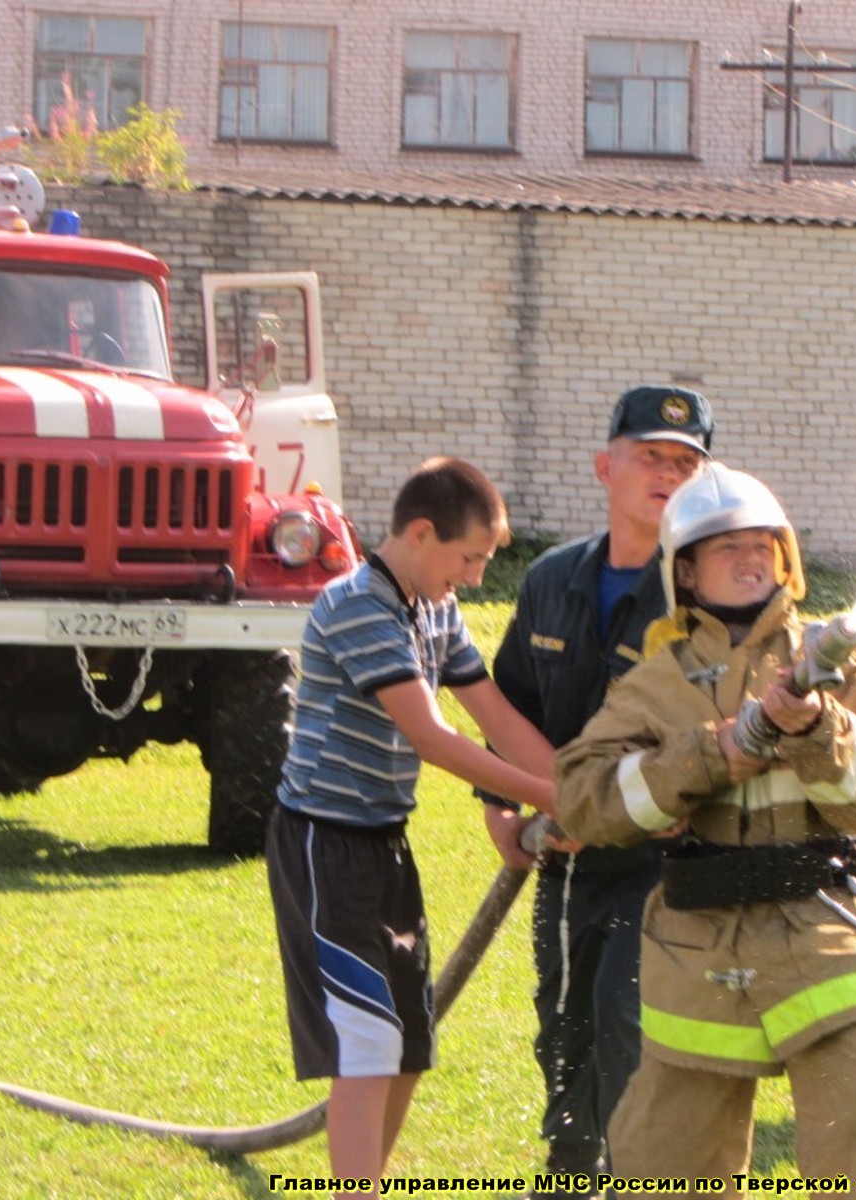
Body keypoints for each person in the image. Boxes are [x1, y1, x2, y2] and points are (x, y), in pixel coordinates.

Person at [554, 463, 856, 1184]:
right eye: (726, 545)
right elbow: (584, 799)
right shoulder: (654, 685)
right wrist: (709, 754)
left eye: (763, 542)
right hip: (699, 949)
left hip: (829, 938)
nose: (750, 554)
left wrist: (820, 727)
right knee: (665, 1169)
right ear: (687, 574)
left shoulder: (841, 662)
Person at [265, 456, 558, 1187]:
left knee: (407, 1045)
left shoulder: (435, 608)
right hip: (322, 845)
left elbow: (491, 714)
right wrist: (552, 801)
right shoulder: (357, 604)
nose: (477, 577)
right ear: (422, 534)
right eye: (470, 558)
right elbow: (431, 738)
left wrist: (578, 787)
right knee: (367, 1042)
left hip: (382, 843)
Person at [479, 385, 713, 1182]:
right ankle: (570, 1170)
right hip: (564, 862)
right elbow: (507, 698)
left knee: (629, 1023)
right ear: (604, 465)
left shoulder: (703, 596)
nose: (667, 473)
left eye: (686, 463)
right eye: (650, 456)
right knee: (563, 1021)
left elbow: (710, 737)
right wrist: (499, 806)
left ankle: (633, 1179)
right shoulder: (551, 579)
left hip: (664, 862)